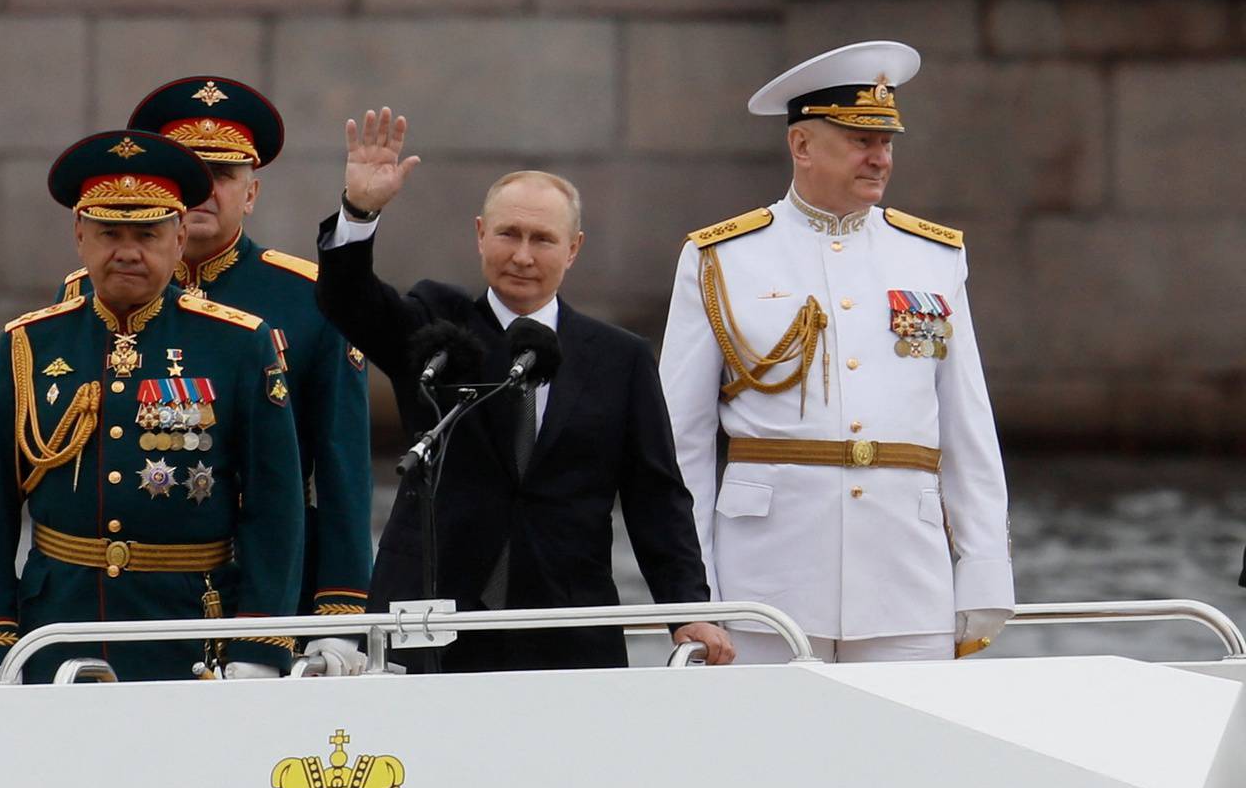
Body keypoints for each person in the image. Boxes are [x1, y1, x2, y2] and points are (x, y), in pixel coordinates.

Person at [315, 108, 733, 672]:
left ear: (574, 248)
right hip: (433, 613)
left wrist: (688, 609)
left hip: (566, 618)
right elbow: (349, 301)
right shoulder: (437, 326)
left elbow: (655, 497)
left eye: (543, 239)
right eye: (508, 234)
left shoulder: (619, 358)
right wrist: (359, 211)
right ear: (480, 233)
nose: (523, 256)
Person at [657, 41, 1013, 663]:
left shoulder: (933, 256)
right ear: (801, 146)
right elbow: (679, 443)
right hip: (765, 582)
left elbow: (967, 425)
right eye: (859, 141)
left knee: (904, 758)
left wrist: (984, 569)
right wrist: (693, 594)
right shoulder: (722, 257)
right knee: (769, 758)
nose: (880, 159)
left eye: (887, 142)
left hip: (907, 575)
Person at [56, 77, 374, 676]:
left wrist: (339, 622)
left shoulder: (309, 299)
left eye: (222, 176)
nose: (204, 190)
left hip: (271, 598)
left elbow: (343, 472)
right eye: (191, 174)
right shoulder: (88, 295)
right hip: (129, 595)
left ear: (250, 193)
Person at [0, 129, 304, 684]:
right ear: (79, 235)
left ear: (177, 237)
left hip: (189, 633)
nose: (126, 251)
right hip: (58, 629)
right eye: (108, 233)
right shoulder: (30, 344)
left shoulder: (239, 343)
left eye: (146, 233)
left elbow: (275, 505)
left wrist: (260, 643)